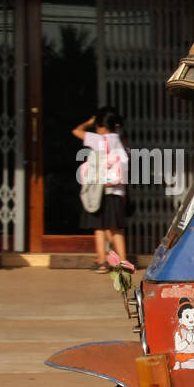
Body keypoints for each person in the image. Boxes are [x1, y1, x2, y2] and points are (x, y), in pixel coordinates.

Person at [73, 107, 130, 273]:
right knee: (115, 228)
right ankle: (124, 261)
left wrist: (88, 122)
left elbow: (76, 131)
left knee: (99, 227)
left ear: (101, 126)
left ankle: (103, 262)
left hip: (100, 191)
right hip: (117, 191)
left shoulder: (99, 140)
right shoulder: (119, 141)